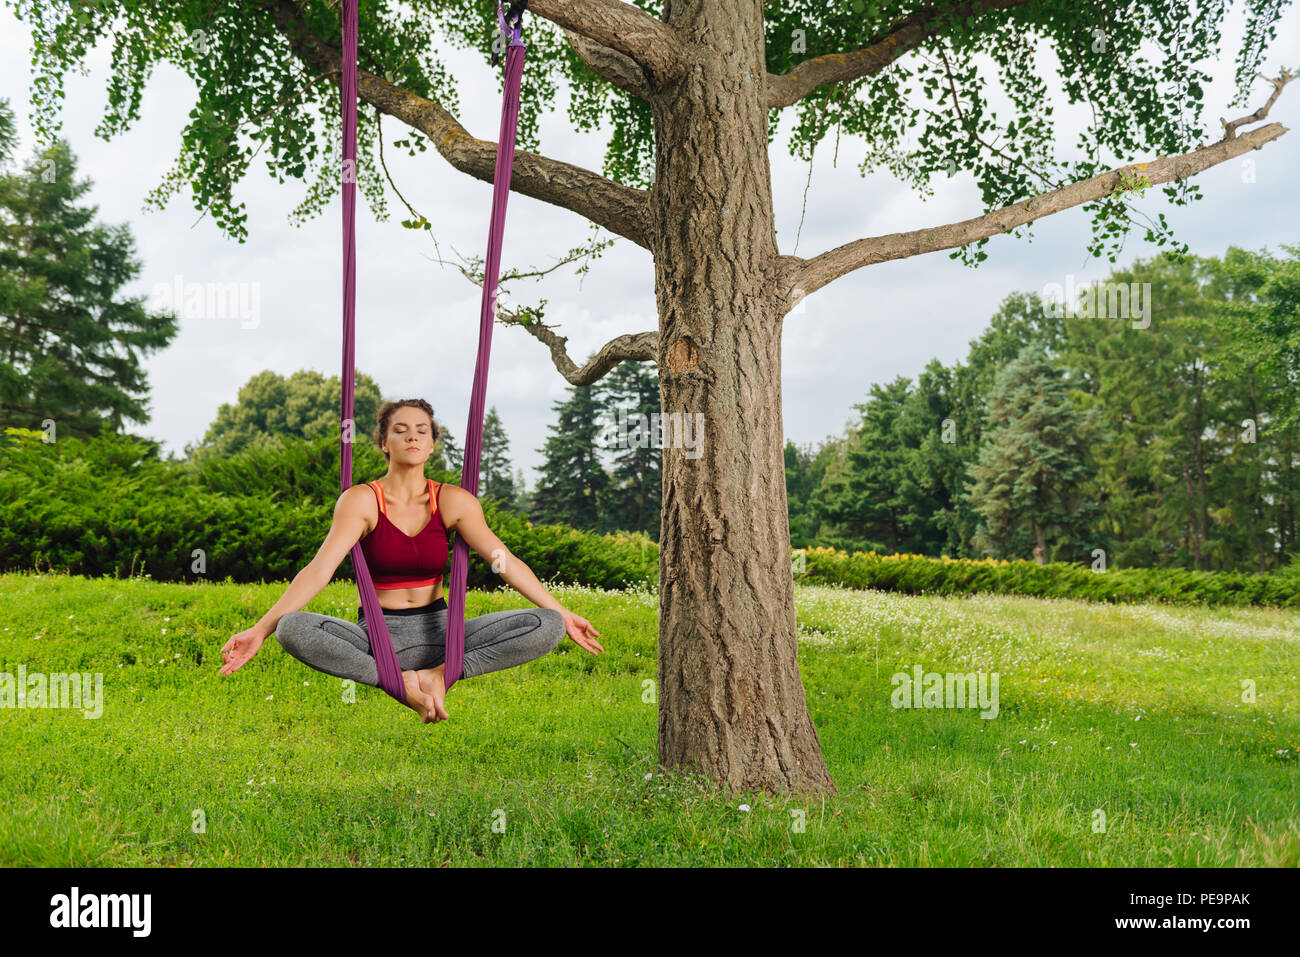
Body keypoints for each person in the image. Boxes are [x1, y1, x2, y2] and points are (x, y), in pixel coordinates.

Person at [218, 398, 603, 724]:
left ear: (433, 443)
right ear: (384, 442)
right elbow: (320, 569)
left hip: (442, 634)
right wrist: (260, 630)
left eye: (422, 429)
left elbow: (504, 561)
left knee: (547, 625)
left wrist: (563, 611)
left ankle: (437, 676)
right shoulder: (361, 501)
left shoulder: (453, 501)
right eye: (400, 429)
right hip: (375, 637)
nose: (413, 436)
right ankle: (398, 683)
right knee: (292, 629)